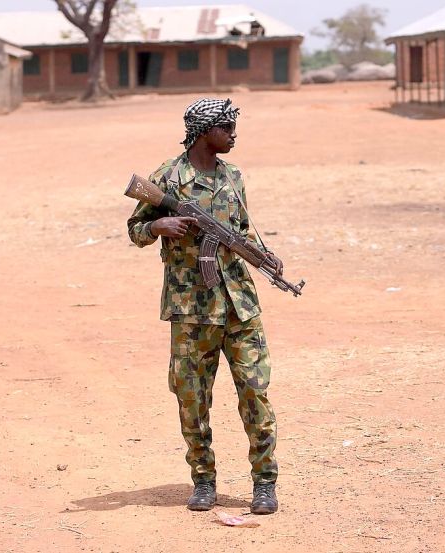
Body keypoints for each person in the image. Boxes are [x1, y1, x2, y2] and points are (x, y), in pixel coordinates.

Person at [126, 98, 282, 515]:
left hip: (240, 305)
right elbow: (135, 230)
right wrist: (159, 225)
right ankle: (203, 480)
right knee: (192, 396)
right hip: (191, 309)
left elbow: (244, 229)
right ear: (204, 131)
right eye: (227, 127)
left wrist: (265, 257)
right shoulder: (169, 177)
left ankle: (265, 483)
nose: (233, 135)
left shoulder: (233, 177)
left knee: (255, 390)